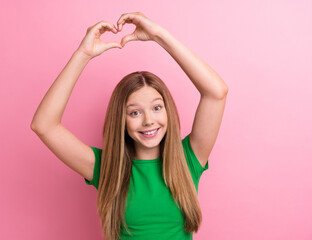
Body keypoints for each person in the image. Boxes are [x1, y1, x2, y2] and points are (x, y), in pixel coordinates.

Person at [31, 12, 228, 240]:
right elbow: (43, 125)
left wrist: (158, 35)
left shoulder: (189, 158)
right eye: (134, 112)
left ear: (167, 111)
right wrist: (82, 54)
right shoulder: (106, 167)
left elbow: (216, 93)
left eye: (156, 108)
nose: (148, 121)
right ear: (121, 120)